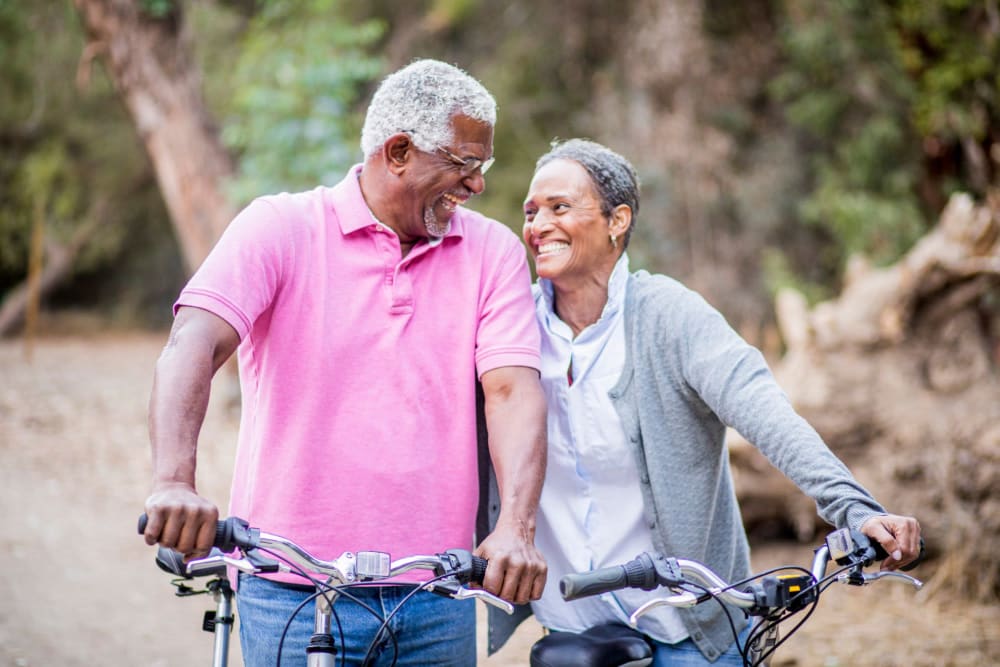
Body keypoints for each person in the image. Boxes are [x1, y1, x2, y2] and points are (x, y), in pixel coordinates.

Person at [141, 59, 548, 666]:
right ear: (400, 151)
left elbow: (512, 392)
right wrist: (174, 481)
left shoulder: (493, 253)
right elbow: (192, 343)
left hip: (438, 594)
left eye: (481, 166)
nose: (477, 185)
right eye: (464, 164)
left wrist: (515, 526)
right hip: (289, 590)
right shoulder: (280, 227)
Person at [501, 138, 922, 665]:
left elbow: (764, 411)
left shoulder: (669, 317)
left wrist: (852, 508)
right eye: (531, 212)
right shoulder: (510, 324)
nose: (537, 225)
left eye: (559, 208)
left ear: (618, 220)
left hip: (686, 623)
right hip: (570, 627)